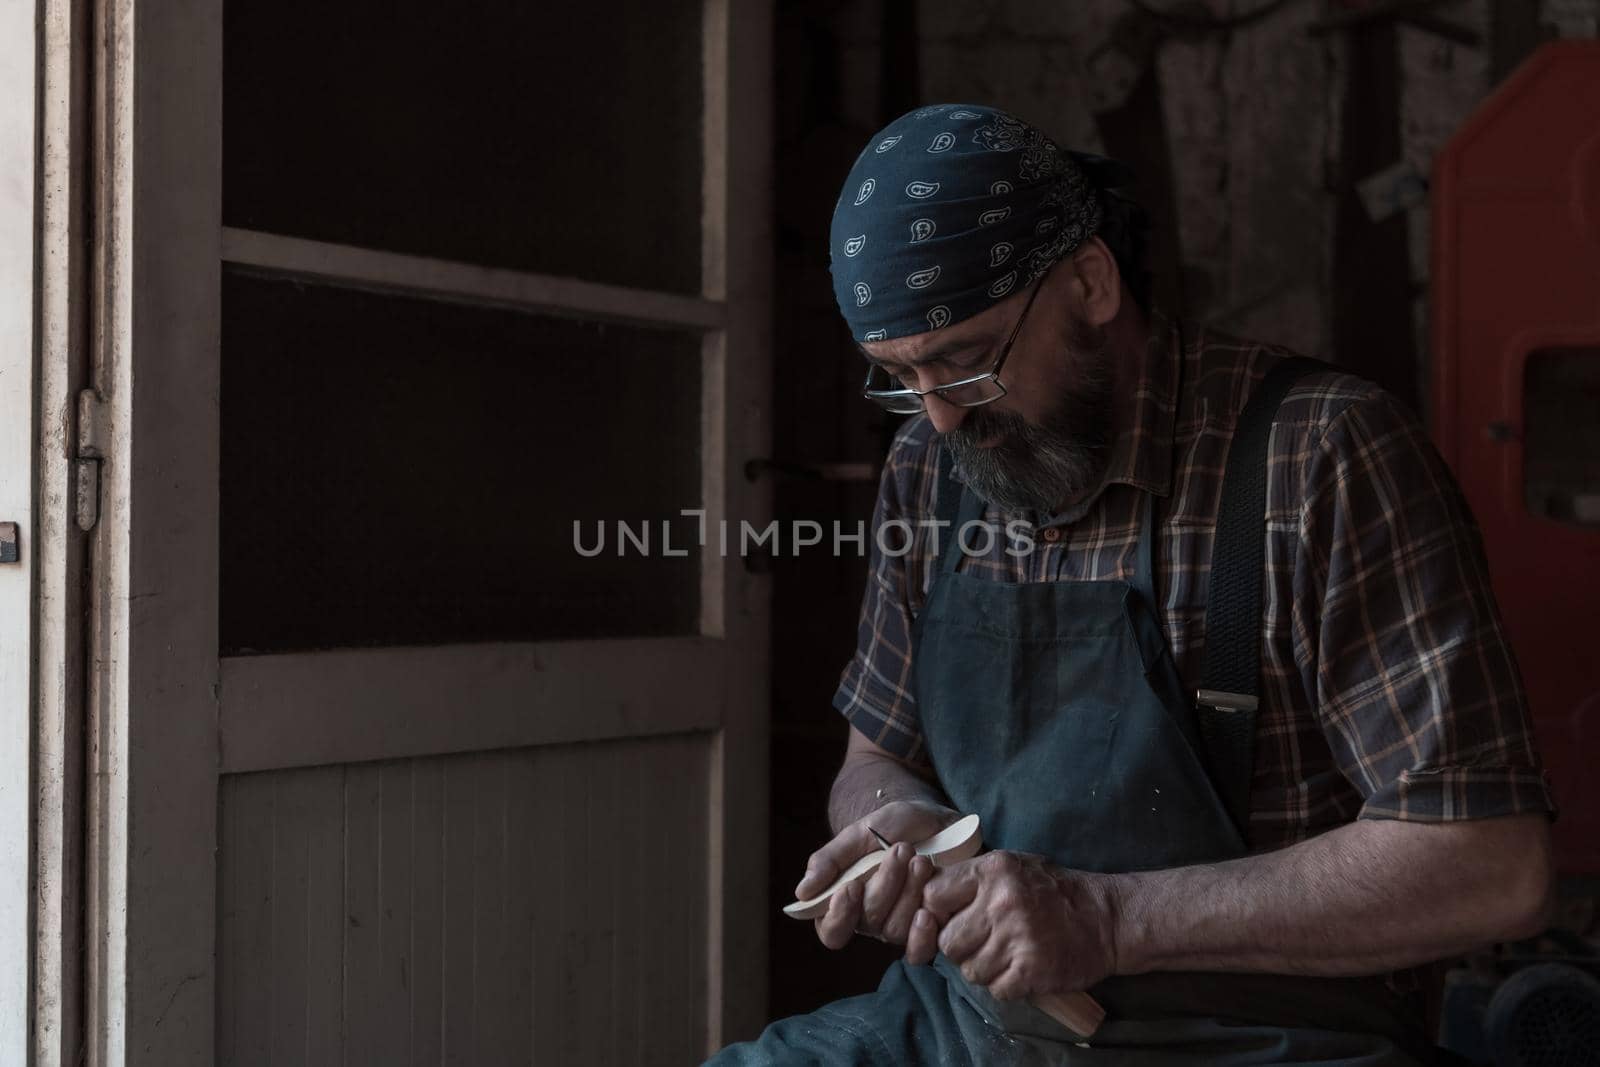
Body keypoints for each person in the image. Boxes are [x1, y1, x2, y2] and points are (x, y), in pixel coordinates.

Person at [707, 104, 1555, 1066]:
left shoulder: (1321, 456)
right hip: (979, 1023)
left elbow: (1492, 863)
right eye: (900, 378)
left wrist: (1108, 917)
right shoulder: (929, 467)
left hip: (1268, 1038)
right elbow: (873, 757)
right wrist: (894, 833)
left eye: (965, 363)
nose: (940, 419)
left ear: (1091, 281)